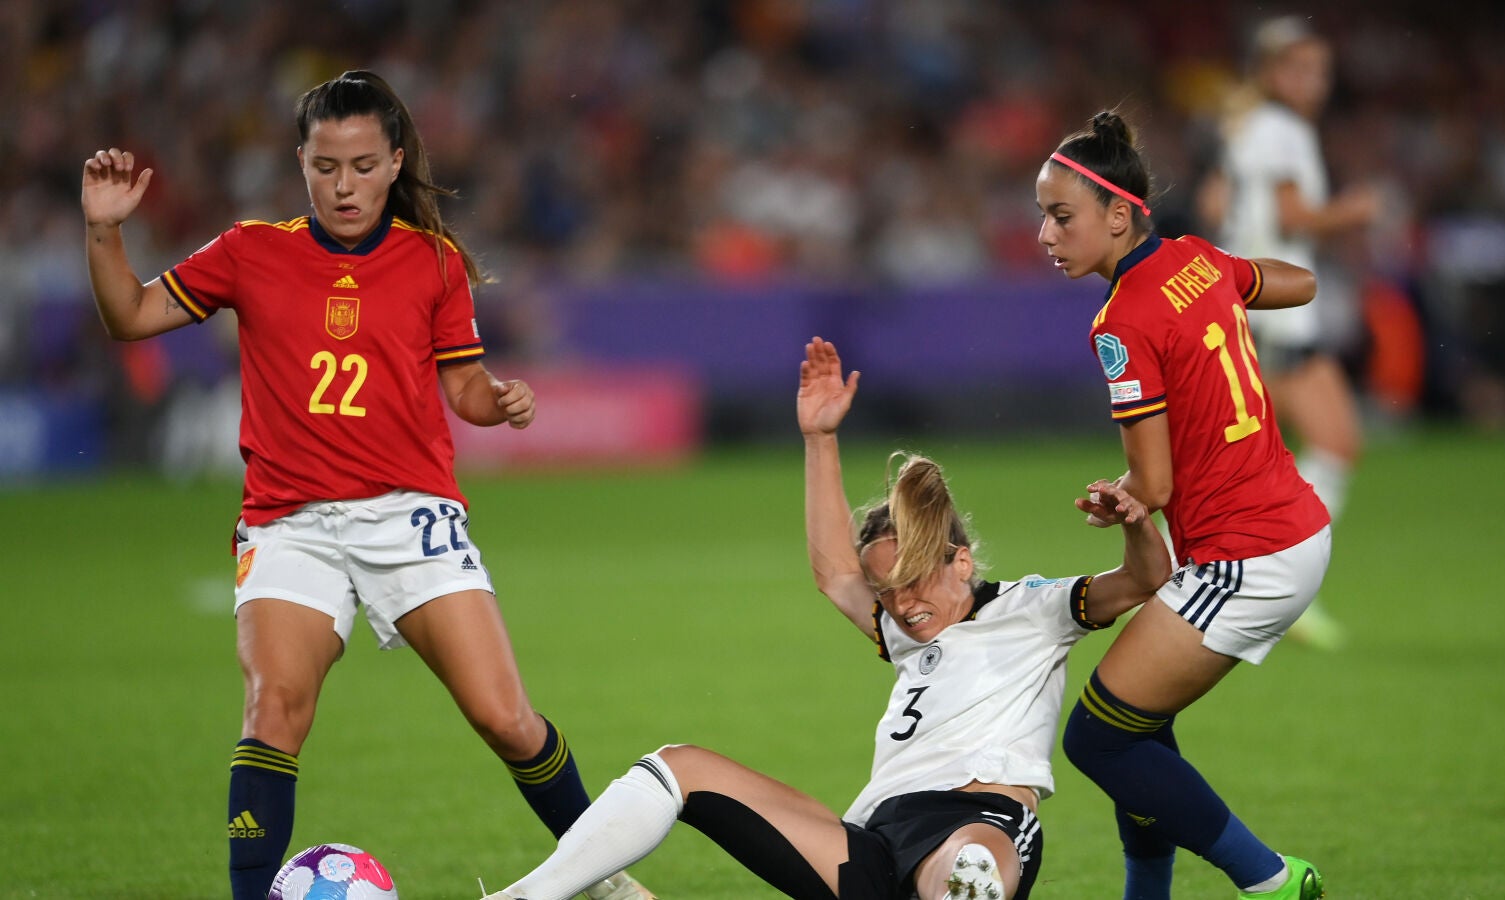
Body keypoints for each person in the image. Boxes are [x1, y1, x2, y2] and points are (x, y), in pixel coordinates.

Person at [80, 70, 651, 900]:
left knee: (505, 719)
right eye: (325, 167)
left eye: (361, 166)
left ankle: (604, 878)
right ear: (300, 164)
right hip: (289, 523)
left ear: (394, 163)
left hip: (410, 516)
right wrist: (104, 231)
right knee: (273, 710)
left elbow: (465, 387)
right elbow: (129, 317)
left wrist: (499, 401)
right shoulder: (250, 251)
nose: (343, 186)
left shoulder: (433, 262)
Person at [475, 336, 1173, 900]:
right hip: (871, 838)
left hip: (978, 820)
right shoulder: (902, 631)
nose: (901, 604)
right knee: (677, 766)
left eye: (913, 581)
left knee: (969, 873)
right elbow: (835, 573)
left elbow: (1145, 579)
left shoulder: (1033, 607)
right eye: (886, 591)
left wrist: (1137, 522)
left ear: (962, 562)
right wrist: (818, 437)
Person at [1035, 111, 1333, 900]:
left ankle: (1272, 882)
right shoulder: (1198, 259)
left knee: (1097, 741)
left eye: (1061, 216)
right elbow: (1299, 284)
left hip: (1247, 554)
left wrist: (1120, 498)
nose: (1045, 234)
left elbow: (1156, 487)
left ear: (1118, 215)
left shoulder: (1120, 322)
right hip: (1290, 526)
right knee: (1140, 723)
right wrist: (1233, 286)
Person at [1207, 15, 1381, 649]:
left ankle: (1214, 573)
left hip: (1245, 308)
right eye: (1301, 69)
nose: (1315, 82)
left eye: (1321, 70)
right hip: (1272, 311)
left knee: (1240, 463)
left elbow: (1213, 202)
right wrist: (1354, 211)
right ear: (1271, 73)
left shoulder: (1246, 127)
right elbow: (1291, 216)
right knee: (1335, 441)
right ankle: (1282, 584)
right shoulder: (1282, 130)